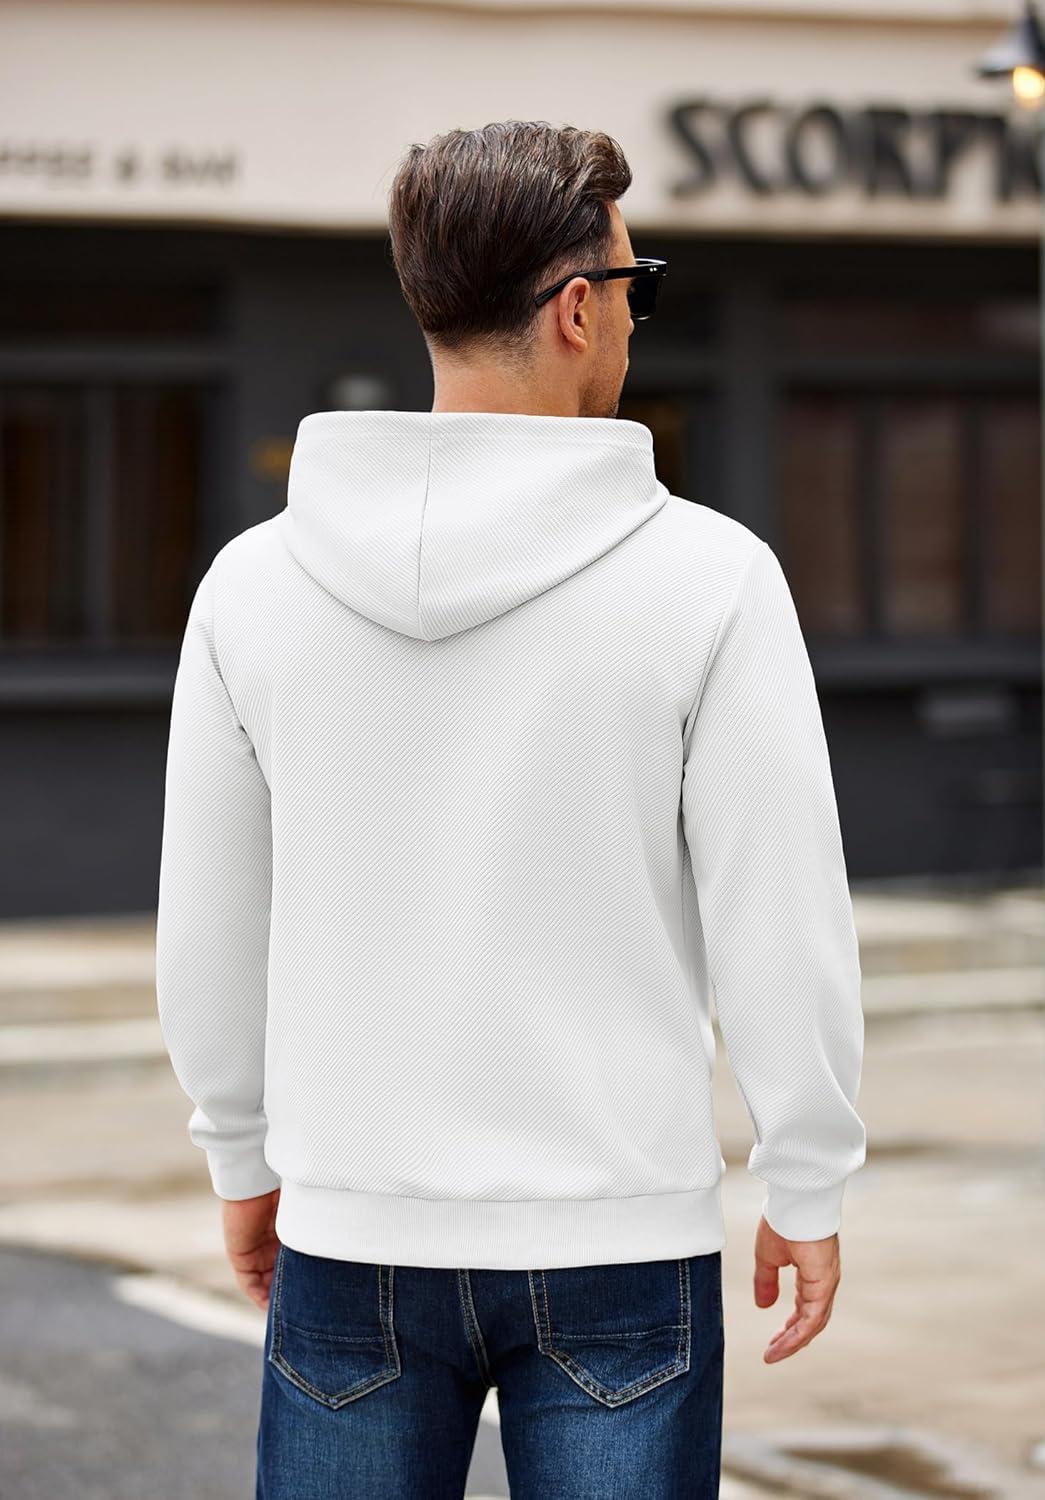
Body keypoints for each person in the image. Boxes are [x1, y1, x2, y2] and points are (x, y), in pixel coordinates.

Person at [154, 118, 867, 1500]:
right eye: (635, 286)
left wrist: (240, 1153)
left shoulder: (252, 584)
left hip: (352, 1230)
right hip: (619, 1232)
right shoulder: (712, 576)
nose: (635, 320)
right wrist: (806, 1176)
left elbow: (212, 921)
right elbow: (776, 913)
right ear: (577, 309)